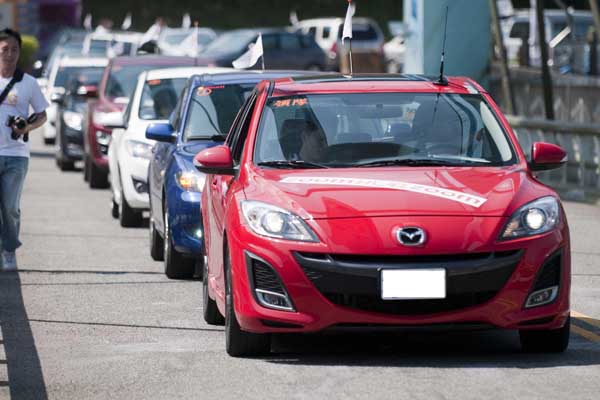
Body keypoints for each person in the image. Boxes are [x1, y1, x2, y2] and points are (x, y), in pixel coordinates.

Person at [0, 29, 48, 271]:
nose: (9, 54)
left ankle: (9, 249)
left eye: (14, 50)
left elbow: (42, 115)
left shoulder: (28, 82)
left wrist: (27, 127)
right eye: (4, 50)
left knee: (10, 207)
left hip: (16, 155)